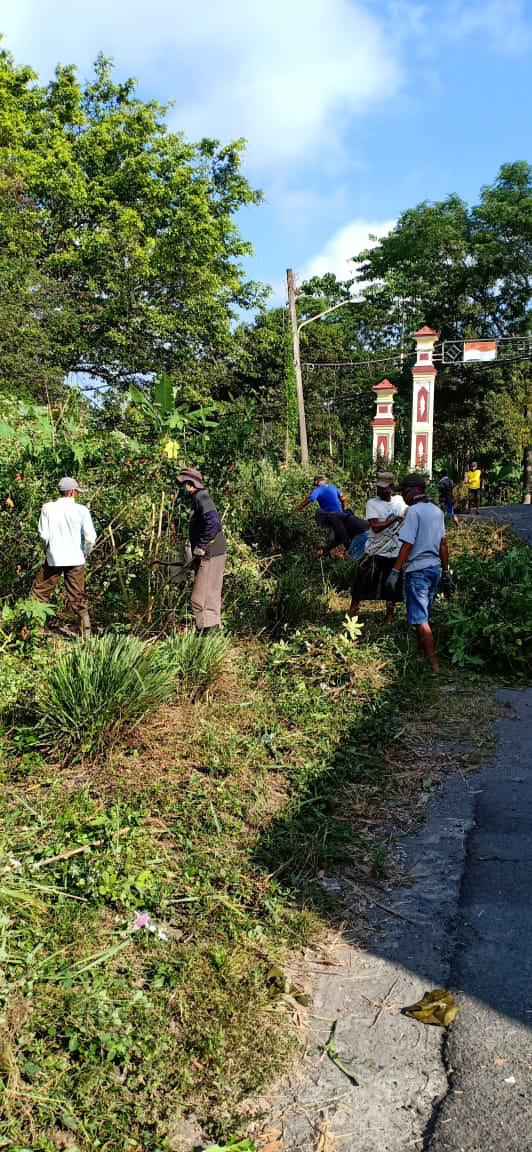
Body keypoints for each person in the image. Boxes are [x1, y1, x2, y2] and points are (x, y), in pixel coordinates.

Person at [385, 474, 451, 674]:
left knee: (421, 619)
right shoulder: (436, 511)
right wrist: (446, 571)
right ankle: (421, 654)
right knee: (422, 614)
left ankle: (434, 665)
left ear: (411, 491)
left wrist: (395, 571)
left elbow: (407, 544)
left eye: (403, 492)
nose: (402, 497)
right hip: (434, 569)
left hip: (418, 571)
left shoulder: (413, 512)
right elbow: (443, 544)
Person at [31, 476, 96, 637]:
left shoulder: (47, 508)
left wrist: (47, 550)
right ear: (73, 492)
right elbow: (90, 538)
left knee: (39, 594)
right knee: (77, 597)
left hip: (54, 558)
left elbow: (43, 536)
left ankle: (33, 630)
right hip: (75, 559)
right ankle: (87, 636)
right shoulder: (81, 510)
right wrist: (85, 554)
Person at [348, 472, 407, 626]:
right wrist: (394, 519)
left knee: (391, 589)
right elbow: (375, 526)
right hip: (374, 552)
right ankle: (351, 616)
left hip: (394, 553)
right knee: (360, 585)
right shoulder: (372, 503)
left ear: (392, 487)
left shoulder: (400, 501)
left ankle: (389, 619)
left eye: (384, 488)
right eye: (379, 487)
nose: (380, 490)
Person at [176, 466, 226, 633]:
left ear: (190, 484)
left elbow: (215, 523)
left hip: (211, 553)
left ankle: (208, 638)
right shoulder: (199, 498)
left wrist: (201, 545)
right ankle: (210, 636)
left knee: (201, 599)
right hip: (208, 553)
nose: (181, 488)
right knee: (207, 595)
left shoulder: (201, 497)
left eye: (182, 485)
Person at [296, 475, 367, 558]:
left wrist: (297, 509)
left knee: (346, 548)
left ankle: (334, 556)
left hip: (356, 530)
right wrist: (344, 510)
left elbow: (310, 499)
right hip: (351, 522)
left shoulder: (318, 490)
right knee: (340, 539)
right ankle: (331, 554)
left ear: (316, 482)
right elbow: (343, 498)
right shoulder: (333, 487)